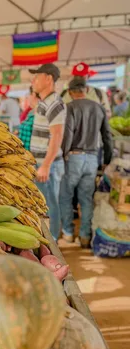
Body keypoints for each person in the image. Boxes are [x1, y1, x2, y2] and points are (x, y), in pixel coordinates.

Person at [60, 77, 113, 248]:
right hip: (92, 158)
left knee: (66, 196)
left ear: (69, 92)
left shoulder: (69, 108)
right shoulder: (99, 108)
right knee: (86, 199)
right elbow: (107, 136)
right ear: (86, 90)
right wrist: (107, 160)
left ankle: (68, 233)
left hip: (73, 157)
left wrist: (62, 155)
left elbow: (67, 135)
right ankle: (85, 236)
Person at [29, 64, 66, 241]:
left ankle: (53, 242)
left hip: (48, 165)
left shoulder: (55, 103)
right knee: (43, 204)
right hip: (40, 163)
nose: (33, 81)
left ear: (49, 78)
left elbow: (57, 136)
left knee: (50, 204)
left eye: (37, 77)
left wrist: (46, 165)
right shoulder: (45, 102)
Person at [18, 87, 39, 151]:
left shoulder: (41, 113)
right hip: (25, 155)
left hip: (34, 155)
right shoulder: (31, 112)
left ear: (33, 95)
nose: (28, 98)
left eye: (28, 95)